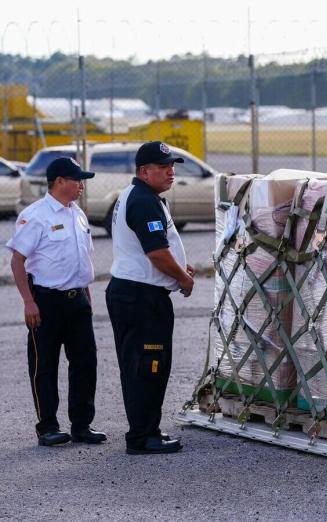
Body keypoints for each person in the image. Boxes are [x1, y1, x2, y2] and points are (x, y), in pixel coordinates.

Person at [7, 157, 106, 447]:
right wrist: (28, 302)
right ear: (60, 181)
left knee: (85, 363)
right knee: (44, 366)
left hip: (78, 300)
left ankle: (82, 424)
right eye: (78, 180)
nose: (82, 186)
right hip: (47, 301)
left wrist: (86, 297)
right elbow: (17, 261)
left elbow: (81, 259)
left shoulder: (77, 213)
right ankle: (47, 427)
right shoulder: (35, 215)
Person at [106, 141, 195, 455]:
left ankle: (146, 430)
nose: (171, 173)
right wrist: (182, 277)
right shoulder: (144, 201)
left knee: (144, 365)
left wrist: (180, 264)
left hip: (137, 292)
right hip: (141, 297)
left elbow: (156, 248)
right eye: (164, 167)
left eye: (173, 166)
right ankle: (143, 437)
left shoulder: (142, 195)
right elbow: (156, 252)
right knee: (149, 366)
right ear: (144, 172)